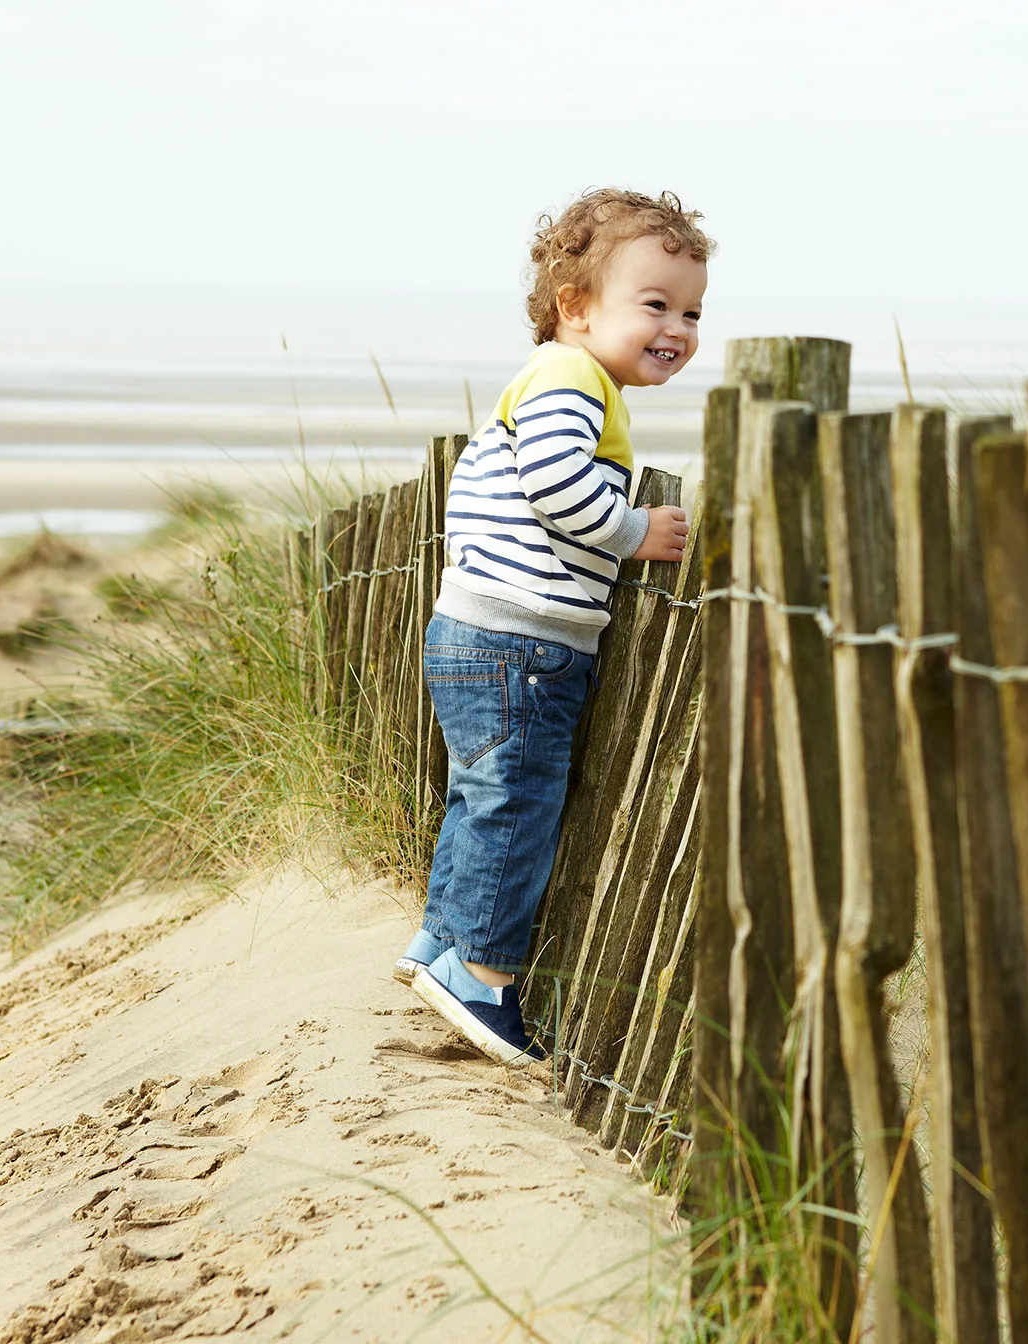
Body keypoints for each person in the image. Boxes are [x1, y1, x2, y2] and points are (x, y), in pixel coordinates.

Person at [396, 188, 710, 1066]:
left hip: (486, 633)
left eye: (692, 313)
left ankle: (439, 942)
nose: (677, 329)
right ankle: (480, 975)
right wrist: (633, 531)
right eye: (655, 304)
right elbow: (553, 481)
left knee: (482, 793)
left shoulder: (565, 379)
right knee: (517, 803)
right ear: (575, 306)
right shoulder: (571, 378)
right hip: (519, 642)